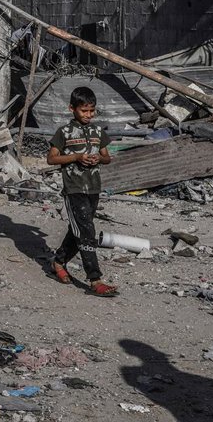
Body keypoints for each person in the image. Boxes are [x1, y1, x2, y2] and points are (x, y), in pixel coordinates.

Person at [47, 85, 118, 297]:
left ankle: (58, 261)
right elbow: (52, 158)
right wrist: (76, 157)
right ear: (72, 109)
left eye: (91, 110)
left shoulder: (98, 132)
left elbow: (107, 157)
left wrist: (98, 159)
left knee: (78, 229)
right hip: (74, 188)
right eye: (84, 110)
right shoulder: (64, 132)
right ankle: (95, 279)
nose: (88, 115)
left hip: (93, 187)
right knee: (86, 230)